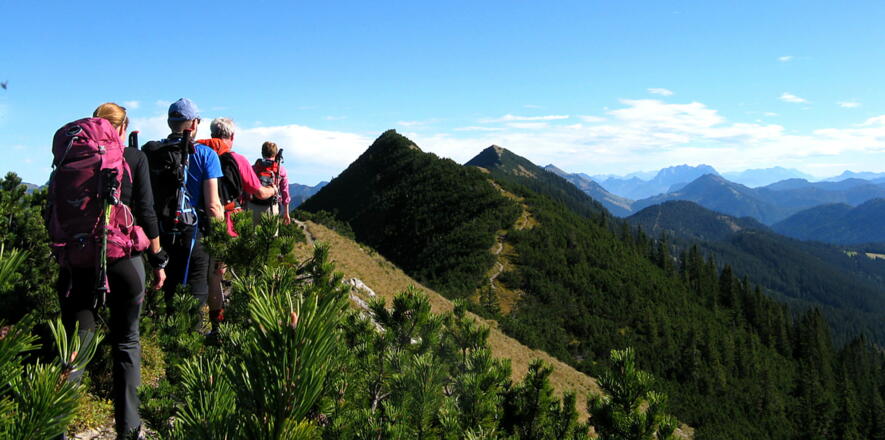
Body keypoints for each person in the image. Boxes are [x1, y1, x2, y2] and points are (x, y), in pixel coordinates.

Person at [56, 103, 167, 439]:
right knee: (127, 342)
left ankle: (54, 427)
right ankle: (129, 430)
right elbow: (146, 211)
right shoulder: (134, 157)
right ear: (122, 128)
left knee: (75, 349)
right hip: (124, 264)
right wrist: (158, 260)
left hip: (77, 264)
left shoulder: (69, 157)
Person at [142, 98, 223, 313]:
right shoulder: (206, 155)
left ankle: (165, 335)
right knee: (195, 291)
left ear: (170, 122)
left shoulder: (152, 153)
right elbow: (214, 205)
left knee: (168, 288)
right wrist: (222, 238)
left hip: (159, 233)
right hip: (193, 233)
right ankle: (191, 339)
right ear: (195, 123)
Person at [197, 117, 275, 331]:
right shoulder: (238, 160)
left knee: (207, 273)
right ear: (232, 136)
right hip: (228, 223)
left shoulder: (197, 153)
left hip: (196, 221)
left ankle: (207, 320)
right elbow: (258, 190)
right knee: (221, 272)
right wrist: (274, 190)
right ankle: (223, 323)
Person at [248, 141, 291, 224]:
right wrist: (286, 213)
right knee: (270, 236)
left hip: (253, 207)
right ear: (275, 154)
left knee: (252, 236)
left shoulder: (253, 168)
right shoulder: (280, 170)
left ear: (262, 153)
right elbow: (285, 192)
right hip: (271, 208)